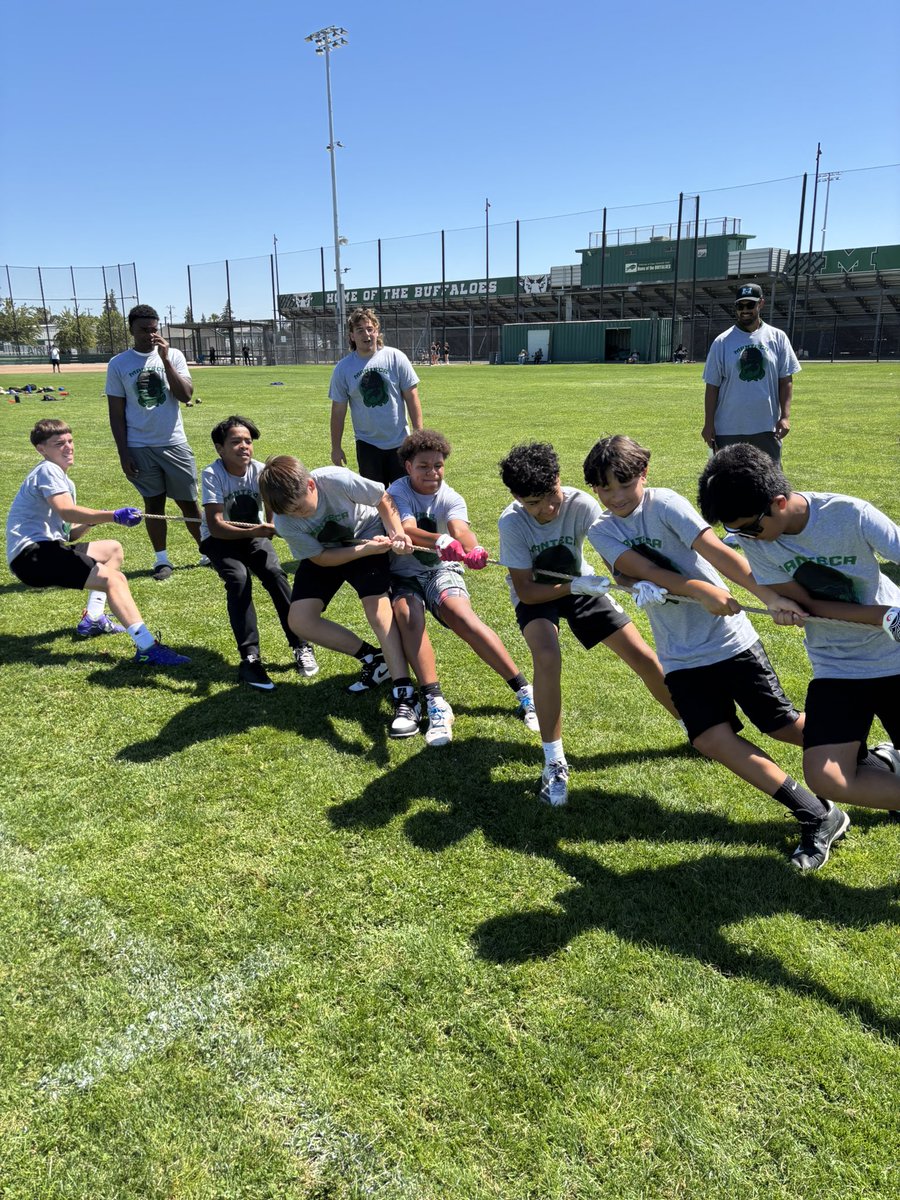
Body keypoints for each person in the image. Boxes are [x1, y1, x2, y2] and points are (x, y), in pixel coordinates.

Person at [584, 435, 847, 871]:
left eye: (623, 485)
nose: (614, 497)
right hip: (680, 654)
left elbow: (717, 551)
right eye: (603, 489)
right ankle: (817, 813)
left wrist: (766, 596)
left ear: (643, 476)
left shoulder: (665, 504)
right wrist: (680, 588)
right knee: (709, 738)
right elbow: (642, 570)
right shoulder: (602, 528)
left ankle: (876, 768)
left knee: (780, 725)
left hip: (729, 640)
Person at [698, 443, 900, 820]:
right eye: (736, 531)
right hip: (837, 665)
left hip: (895, 654)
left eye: (752, 527)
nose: (749, 538)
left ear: (778, 502)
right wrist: (882, 615)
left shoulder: (848, 513)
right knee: (827, 776)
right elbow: (808, 605)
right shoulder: (753, 540)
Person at [497, 441, 680, 808]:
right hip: (540, 594)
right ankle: (554, 761)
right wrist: (573, 585)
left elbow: (615, 562)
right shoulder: (512, 522)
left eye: (550, 496)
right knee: (547, 658)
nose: (546, 509)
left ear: (558, 480)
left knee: (642, 655)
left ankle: (698, 728)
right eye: (532, 503)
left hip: (583, 586)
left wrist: (634, 582)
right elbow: (527, 592)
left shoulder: (581, 504)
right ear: (517, 498)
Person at [387, 429, 541, 747]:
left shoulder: (451, 497)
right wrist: (440, 539)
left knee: (462, 616)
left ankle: (525, 691)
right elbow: (408, 530)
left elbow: (460, 529)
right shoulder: (397, 491)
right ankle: (436, 703)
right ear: (408, 467)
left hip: (441, 571)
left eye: (438, 465)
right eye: (423, 466)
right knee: (409, 616)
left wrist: (474, 549)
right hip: (403, 575)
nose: (432, 472)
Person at [258, 455, 421, 738]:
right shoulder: (285, 521)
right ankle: (374, 659)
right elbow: (321, 558)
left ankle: (404, 694)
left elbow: (382, 499)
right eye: (289, 512)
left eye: (299, 507)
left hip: (368, 534)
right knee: (299, 620)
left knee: (377, 609)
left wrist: (396, 533)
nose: (298, 515)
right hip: (331, 553)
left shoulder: (336, 479)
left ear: (311, 485)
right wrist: (366, 551)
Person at [6, 419, 190, 666]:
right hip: (34, 555)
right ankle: (147, 647)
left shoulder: (62, 479)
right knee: (114, 580)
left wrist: (94, 522)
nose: (68, 447)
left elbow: (68, 534)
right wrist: (113, 515)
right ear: (42, 449)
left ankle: (93, 618)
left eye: (70, 441)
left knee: (112, 549)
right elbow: (67, 512)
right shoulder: (47, 470)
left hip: (47, 549)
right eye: (59, 443)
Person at [200, 416, 318, 691]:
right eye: (235, 442)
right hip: (221, 540)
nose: (244, 447)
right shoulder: (212, 474)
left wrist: (273, 526)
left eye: (248, 442)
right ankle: (250, 658)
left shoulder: (261, 471)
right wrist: (257, 531)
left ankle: (301, 644)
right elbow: (216, 527)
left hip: (254, 536)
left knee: (276, 575)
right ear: (220, 448)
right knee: (239, 580)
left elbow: (272, 509)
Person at [106, 304, 207, 582]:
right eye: (144, 330)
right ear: (132, 330)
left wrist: (164, 361)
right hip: (140, 446)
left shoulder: (173, 355)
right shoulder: (118, 364)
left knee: (189, 502)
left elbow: (185, 395)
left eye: (154, 329)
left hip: (174, 443)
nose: (151, 334)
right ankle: (162, 560)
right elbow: (116, 413)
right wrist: (123, 452)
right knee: (154, 505)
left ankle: (207, 552)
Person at [701, 283, 800, 464]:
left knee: (769, 484)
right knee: (729, 484)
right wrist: (709, 424)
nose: (744, 310)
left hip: (766, 426)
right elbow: (712, 386)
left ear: (761, 304)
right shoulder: (722, 342)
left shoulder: (777, 337)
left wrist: (785, 417)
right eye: (740, 306)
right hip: (728, 427)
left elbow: (785, 380)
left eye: (750, 305)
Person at [329, 307, 424, 487]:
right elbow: (338, 411)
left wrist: (418, 433)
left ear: (377, 331)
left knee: (403, 496)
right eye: (360, 330)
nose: (366, 334)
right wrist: (336, 447)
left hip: (400, 442)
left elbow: (412, 397)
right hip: (367, 444)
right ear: (351, 336)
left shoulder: (396, 358)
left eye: (370, 329)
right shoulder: (343, 369)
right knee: (374, 501)